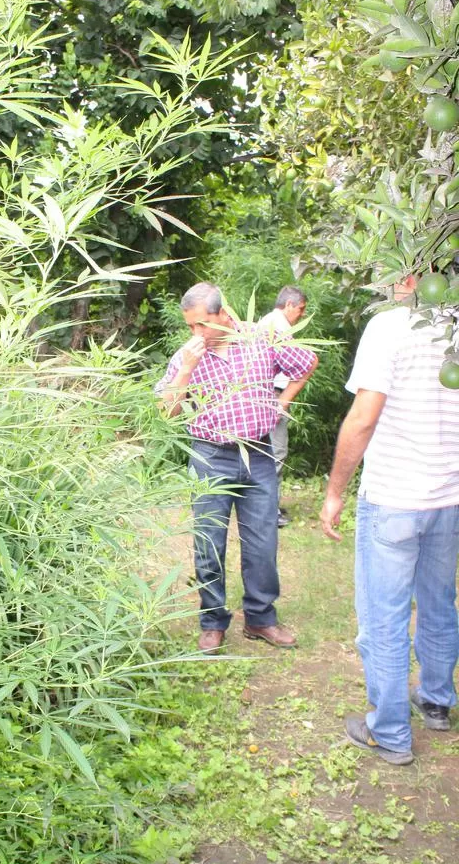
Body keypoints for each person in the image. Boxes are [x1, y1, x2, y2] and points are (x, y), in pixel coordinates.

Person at [320, 273, 459, 766]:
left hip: (395, 499)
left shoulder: (391, 326)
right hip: (449, 498)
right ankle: (437, 701)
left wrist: (334, 492)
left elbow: (363, 417)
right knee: (440, 604)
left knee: (385, 618)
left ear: (412, 274)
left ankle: (391, 732)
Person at [156, 281, 317, 653]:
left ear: (224, 313)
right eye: (191, 326)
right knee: (208, 543)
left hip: (258, 455)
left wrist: (282, 404)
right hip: (211, 456)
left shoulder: (261, 338)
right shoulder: (187, 356)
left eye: (203, 324)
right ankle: (212, 622)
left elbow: (306, 363)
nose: (197, 333)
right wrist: (187, 370)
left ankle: (261, 618)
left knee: (262, 542)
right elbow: (166, 411)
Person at [258, 286, 308, 527]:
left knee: (267, 453)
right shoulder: (278, 325)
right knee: (275, 454)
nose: (301, 315)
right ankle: (269, 512)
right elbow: (300, 365)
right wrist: (283, 400)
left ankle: (267, 506)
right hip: (273, 395)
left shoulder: (268, 321)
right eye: (300, 309)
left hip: (265, 394)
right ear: (289, 304)